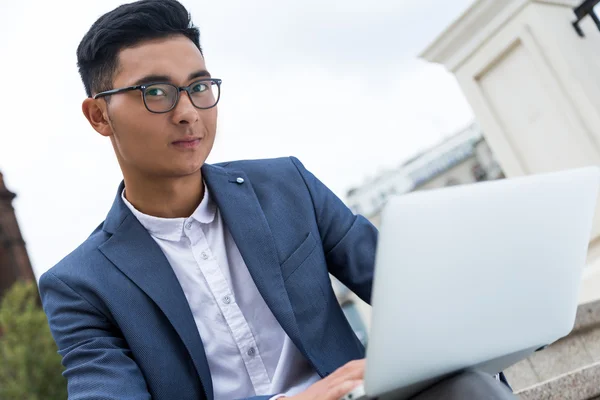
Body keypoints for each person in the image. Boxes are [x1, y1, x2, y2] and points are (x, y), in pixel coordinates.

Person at [38, 1, 516, 399]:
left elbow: (412, 294)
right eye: (156, 92)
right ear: (99, 116)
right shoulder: (81, 285)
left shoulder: (287, 186)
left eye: (199, 87)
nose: (187, 113)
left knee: (472, 388)